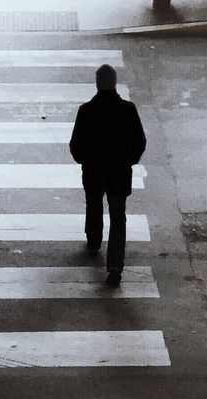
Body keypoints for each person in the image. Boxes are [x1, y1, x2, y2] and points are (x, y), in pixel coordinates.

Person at [69, 64, 147, 287]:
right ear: (114, 83)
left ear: (97, 83)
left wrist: (86, 161)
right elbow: (140, 142)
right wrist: (128, 161)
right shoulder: (128, 110)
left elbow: (75, 146)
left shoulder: (86, 111)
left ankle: (93, 243)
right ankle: (114, 265)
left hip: (94, 172)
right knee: (118, 216)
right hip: (118, 172)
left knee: (93, 206)